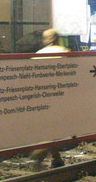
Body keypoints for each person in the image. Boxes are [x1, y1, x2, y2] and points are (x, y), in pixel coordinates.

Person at [29, 29, 68, 169]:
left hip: (42, 97)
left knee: (49, 126)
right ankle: (39, 153)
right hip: (60, 95)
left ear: (45, 40)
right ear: (57, 39)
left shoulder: (38, 55)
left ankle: (56, 158)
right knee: (55, 127)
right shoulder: (65, 52)